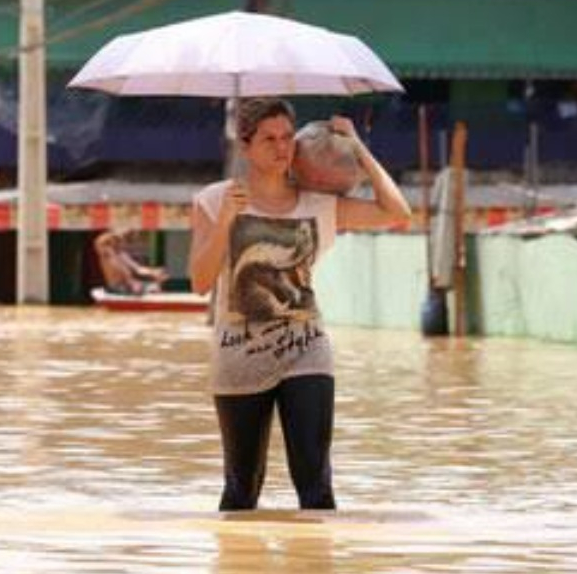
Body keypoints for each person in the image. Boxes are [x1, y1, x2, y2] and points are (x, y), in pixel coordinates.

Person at [188, 97, 410, 511]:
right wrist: (225, 224)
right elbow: (201, 282)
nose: (281, 147)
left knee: (316, 485)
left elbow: (397, 212)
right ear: (246, 146)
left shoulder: (319, 205)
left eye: (288, 137)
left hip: (306, 349)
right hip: (239, 355)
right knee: (241, 489)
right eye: (269, 138)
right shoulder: (214, 200)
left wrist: (357, 145)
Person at [94, 229, 168, 294]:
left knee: (155, 287)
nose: (122, 243)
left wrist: (154, 273)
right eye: (120, 240)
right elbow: (100, 241)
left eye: (123, 241)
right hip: (118, 287)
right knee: (142, 288)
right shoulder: (106, 252)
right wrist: (119, 233)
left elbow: (139, 269)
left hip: (130, 285)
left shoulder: (122, 254)